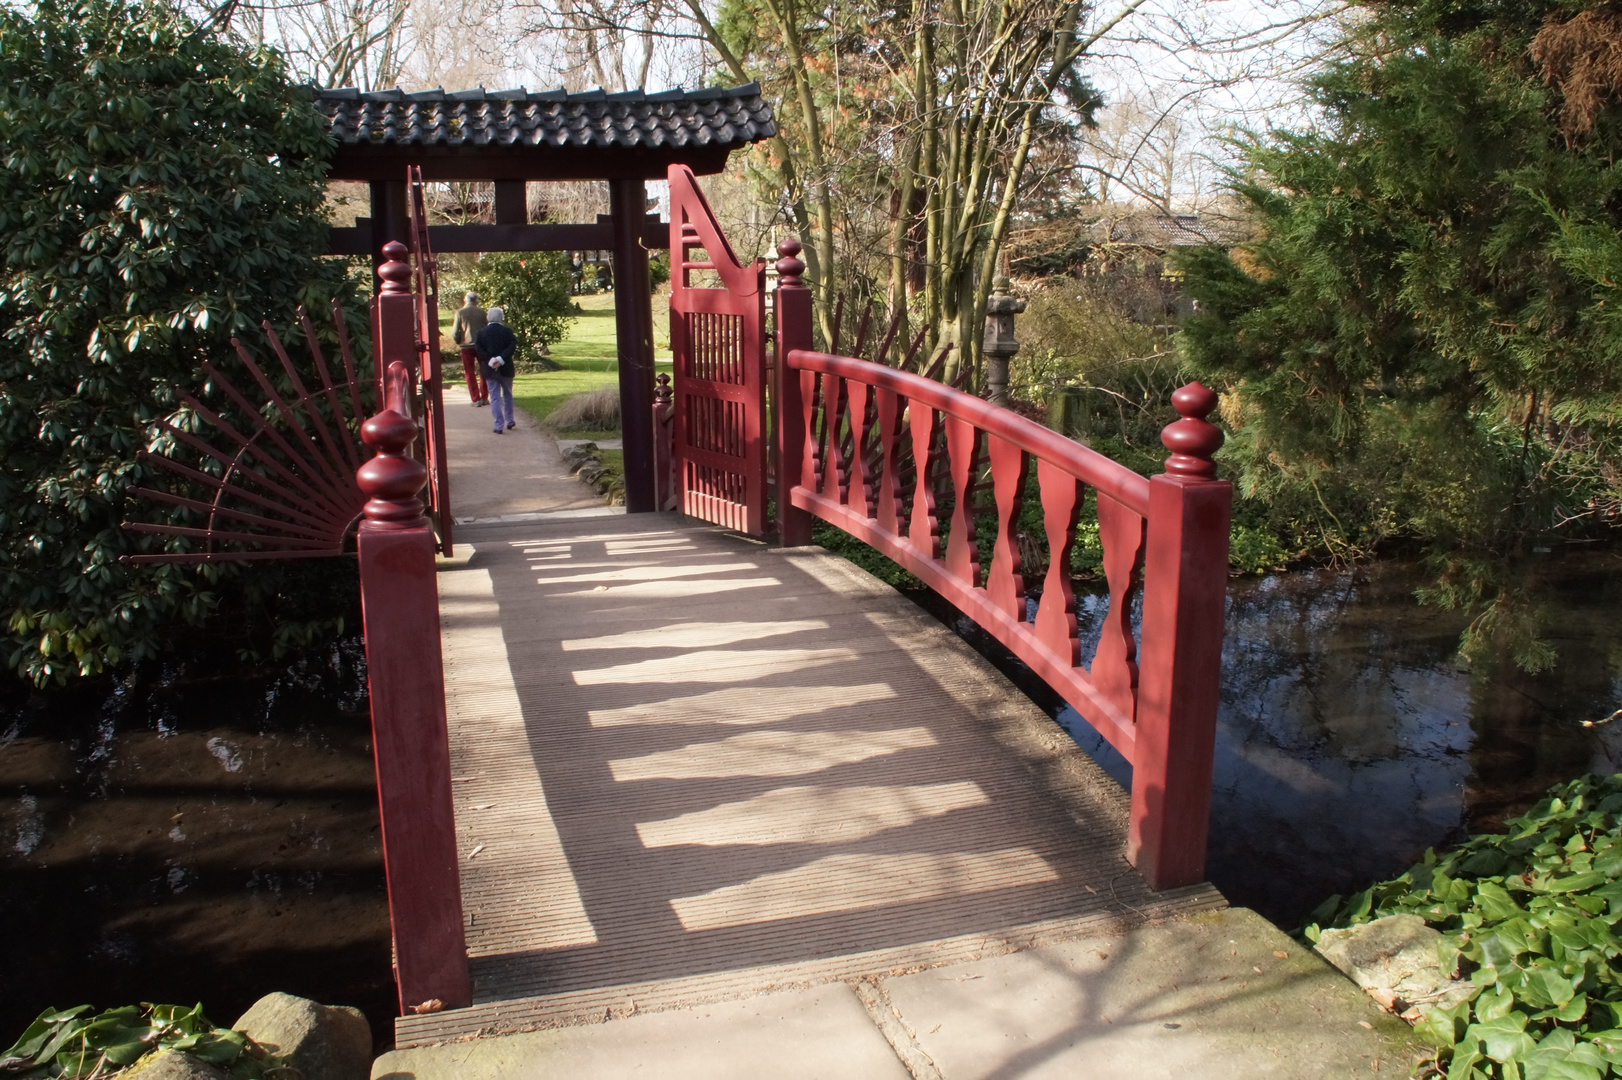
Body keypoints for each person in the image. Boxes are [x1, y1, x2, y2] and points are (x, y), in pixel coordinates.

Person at [475, 306, 518, 435]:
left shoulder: (481, 332)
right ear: (501, 317)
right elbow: (512, 346)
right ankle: (510, 420)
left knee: (494, 397)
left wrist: (491, 360)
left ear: (488, 317)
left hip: (489, 369)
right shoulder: (507, 332)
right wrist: (501, 359)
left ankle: (498, 425)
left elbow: (478, 348)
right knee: (508, 395)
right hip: (506, 368)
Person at [451, 291, 489, 406]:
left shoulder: (460, 313)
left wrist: (458, 341)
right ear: (476, 300)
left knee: (469, 372)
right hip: (481, 345)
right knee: (484, 371)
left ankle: (475, 398)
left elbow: (455, 331)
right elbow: (487, 328)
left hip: (466, 345)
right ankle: (484, 397)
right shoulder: (483, 313)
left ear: (465, 300)